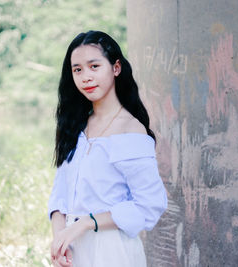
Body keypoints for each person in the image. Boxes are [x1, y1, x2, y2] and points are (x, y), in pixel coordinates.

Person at [48, 30, 168, 267]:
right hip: (71, 250)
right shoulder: (75, 126)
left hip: (112, 250)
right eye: (77, 70)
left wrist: (85, 223)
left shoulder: (130, 130)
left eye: (94, 66)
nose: (86, 77)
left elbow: (150, 204)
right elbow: (59, 194)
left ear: (115, 68)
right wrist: (59, 240)